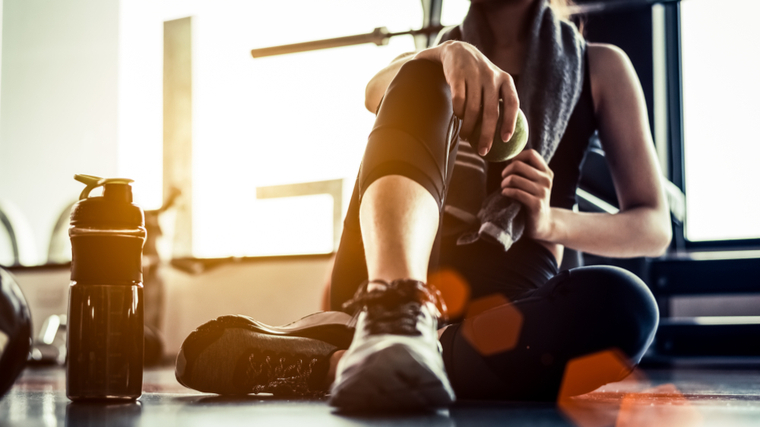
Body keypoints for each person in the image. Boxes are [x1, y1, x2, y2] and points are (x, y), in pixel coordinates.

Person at [174, 0, 670, 410]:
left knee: (626, 308)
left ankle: (342, 362)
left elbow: (652, 224)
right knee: (419, 73)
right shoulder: (433, 60)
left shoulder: (600, 65)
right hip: (390, 271)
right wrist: (446, 53)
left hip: (508, 299)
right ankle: (396, 316)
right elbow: (373, 91)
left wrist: (549, 220)